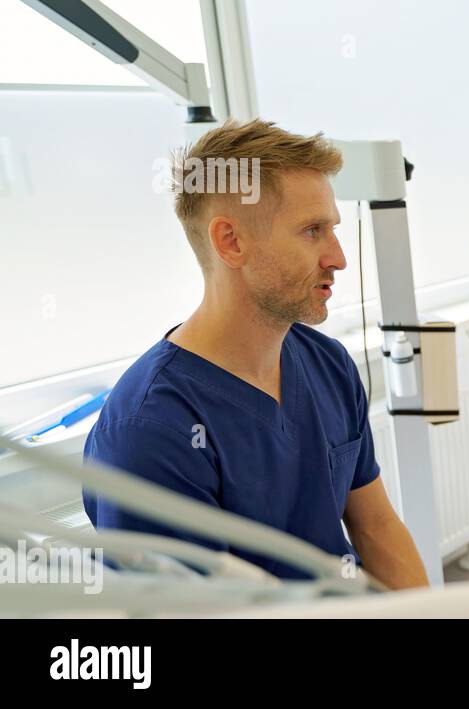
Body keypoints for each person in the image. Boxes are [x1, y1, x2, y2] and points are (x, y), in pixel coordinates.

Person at [83, 119, 428, 589]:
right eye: (312, 230)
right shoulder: (151, 431)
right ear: (231, 241)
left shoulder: (327, 363)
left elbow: (376, 527)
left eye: (333, 229)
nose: (338, 257)